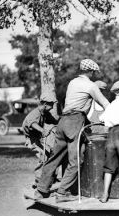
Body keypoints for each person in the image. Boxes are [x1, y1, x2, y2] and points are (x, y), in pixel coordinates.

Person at [35, 59, 110, 202]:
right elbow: (105, 104)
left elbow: (76, 102)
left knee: (54, 157)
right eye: (94, 73)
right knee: (76, 160)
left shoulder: (72, 82)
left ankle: (41, 190)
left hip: (63, 121)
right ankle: (62, 193)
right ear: (91, 71)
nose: (94, 75)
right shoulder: (90, 85)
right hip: (75, 121)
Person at [22, 95, 58, 183]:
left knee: (50, 154)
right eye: (51, 105)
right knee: (43, 156)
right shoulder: (35, 113)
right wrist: (42, 130)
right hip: (31, 140)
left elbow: (55, 121)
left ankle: (50, 178)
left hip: (38, 139)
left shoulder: (45, 113)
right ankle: (39, 181)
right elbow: (32, 123)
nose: (52, 107)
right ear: (45, 104)